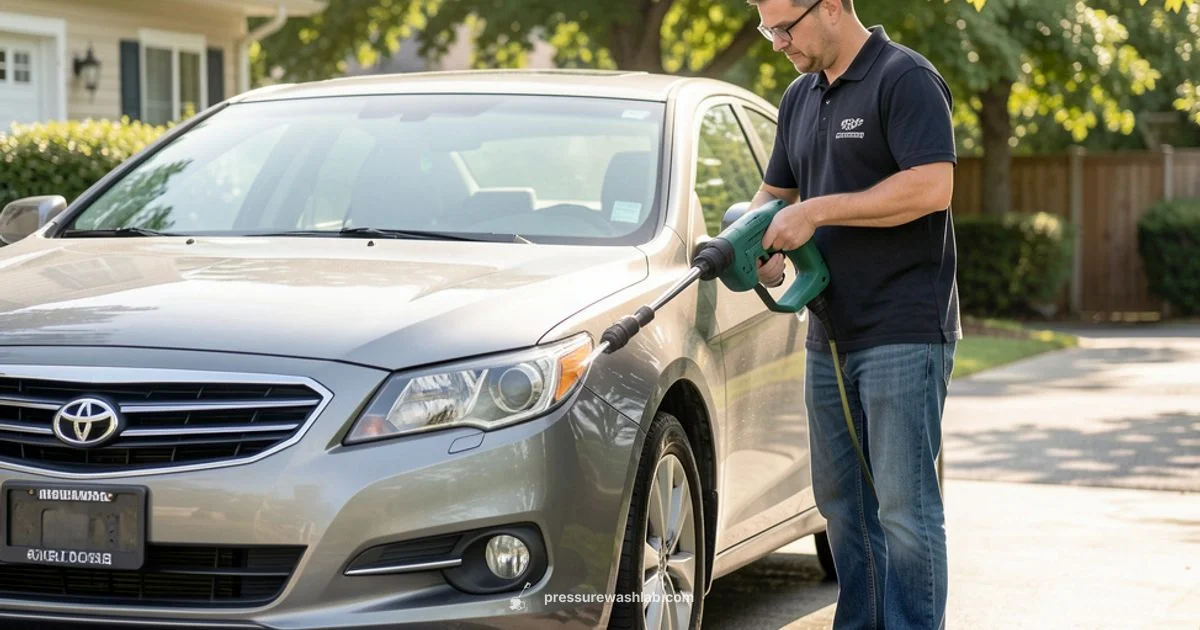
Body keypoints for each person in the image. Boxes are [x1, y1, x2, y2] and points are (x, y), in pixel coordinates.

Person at [746, 0, 960, 628]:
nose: (777, 42)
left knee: (905, 513)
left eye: (785, 27)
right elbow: (773, 195)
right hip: (828, 333)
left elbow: (931, 187)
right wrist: (752, 243)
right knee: (844, 508)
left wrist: (814, 213)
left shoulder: (905, 78)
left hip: (904, 329)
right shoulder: (799, 97)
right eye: (767, 29)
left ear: (832, 7)